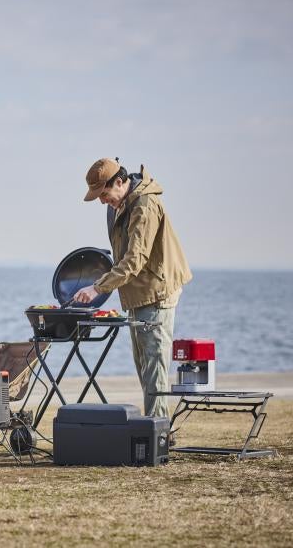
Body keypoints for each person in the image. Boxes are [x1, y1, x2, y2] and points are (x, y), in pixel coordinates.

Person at [72, 158, 191, 418]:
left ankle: (159, 432)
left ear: (119, 182)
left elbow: (135, 259)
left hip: (157, 292)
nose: (102, 201)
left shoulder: (145, 206)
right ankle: (155, 427)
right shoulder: (118, 205)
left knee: (154, 367)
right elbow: (122, 254)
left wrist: (98, 288)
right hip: (137, 294)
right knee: (144, 367)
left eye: (104, 194)